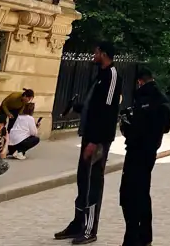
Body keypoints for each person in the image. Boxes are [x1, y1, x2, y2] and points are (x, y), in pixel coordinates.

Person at [54, 40, 122, 244]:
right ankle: (78, 223)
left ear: (103, 53)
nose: (94, 55)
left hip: (98, 140)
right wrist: (76, 108)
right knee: (83, 180)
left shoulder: (112, 75)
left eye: (96, 52)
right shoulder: (100, 75)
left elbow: (108, 112)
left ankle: (90, 229)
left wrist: (95, 140)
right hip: (89, 137)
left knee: (93, 182)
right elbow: (94, 106)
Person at [119, 66, 170, 246]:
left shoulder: (143, 98)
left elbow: (137, 128)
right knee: (142, 193)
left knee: (129, 195)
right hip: (150, 152)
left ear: (140, 81)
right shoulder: (161, 98)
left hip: (137, 151)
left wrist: (127, 126)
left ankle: (133, 238)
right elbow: (165, 127)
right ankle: (145, 236)